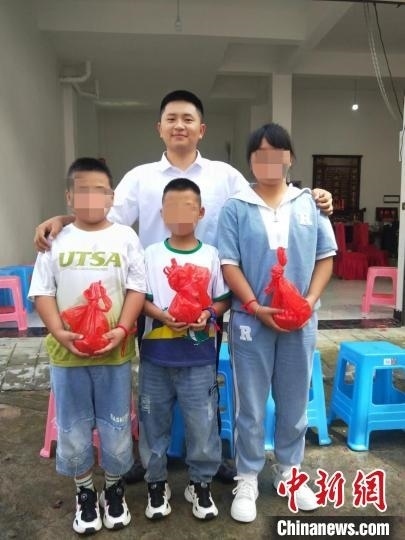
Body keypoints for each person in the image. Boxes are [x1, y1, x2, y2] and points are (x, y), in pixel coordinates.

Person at [34, 89, 334, 484]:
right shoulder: (140, 178)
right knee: (153, 382)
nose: (179, 125)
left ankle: (209, 459)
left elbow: (267, 196)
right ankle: (149, 459)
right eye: (171, 119)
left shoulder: (225, 177)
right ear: (158, 127)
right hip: (151, 301)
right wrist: (61, 220)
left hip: (211, 302)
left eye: (188, 119)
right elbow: (100, 214)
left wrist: (313, 196)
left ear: (201, 129)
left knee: (202, 379)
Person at [217, 123, 337, 522]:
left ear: (290, 158)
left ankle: (289, 470)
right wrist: (253, 305)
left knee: (294, 399)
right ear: (250, 161)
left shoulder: (309, 204)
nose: (268, 161)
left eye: (277, 153)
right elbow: (229, 262)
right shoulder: (236, 207)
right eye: (260, 154)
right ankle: (248, 475)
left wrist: (308, 303)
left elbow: (325, 257)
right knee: (250, 403)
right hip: (250, 323)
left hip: (300, 322)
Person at [28, 158, 146, 535]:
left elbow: (136, 288)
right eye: (83, 190)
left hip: (114, 354)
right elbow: (43, 291)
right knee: (74, 427)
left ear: (111, 197)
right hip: (68, 357)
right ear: (69, 197)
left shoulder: (125, 238)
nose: (92, 198)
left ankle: (113, 489)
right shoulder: (55, 240)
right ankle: (84, 492)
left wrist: (123, 329)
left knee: (115, 424)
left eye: (100, 190)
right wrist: (58, 330)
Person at [139, 177, 230, 520]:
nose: (179, 214)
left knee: (203, 423)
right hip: (156, 356)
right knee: (152, 422)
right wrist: (162, 315)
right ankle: (156, 482)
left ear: (201, 212)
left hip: (199, 357)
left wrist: (208, 314)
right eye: (172, 207)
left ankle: (200, 482)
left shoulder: (211, 255)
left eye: (187, 207)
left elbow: (223, 299)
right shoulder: (151, 255)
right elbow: (140, 299)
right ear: (162, 213)